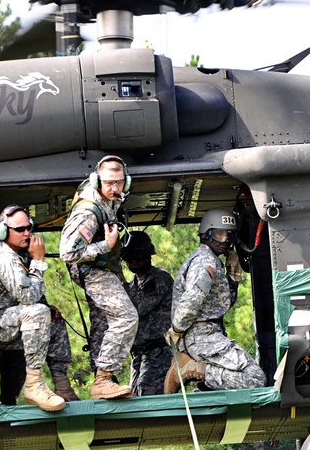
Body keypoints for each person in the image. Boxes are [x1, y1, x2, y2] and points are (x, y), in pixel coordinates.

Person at [59, 155, 136, 400]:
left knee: (105, 322)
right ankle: (103, 380)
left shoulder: (113, 197)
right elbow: (68, 253)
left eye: (120, 183)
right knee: (126, 317)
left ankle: (105, 382)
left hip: (104, 267)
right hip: (91, 268)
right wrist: (106, 245)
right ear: (96, 181)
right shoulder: (88, 212)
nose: (115, 188)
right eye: (109, 183)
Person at [165, 208, 266, 393]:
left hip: (206, 334)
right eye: (220, 234)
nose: (225, 240)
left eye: (230, 235)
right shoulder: (205, 261)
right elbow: (192, 299)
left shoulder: (211, 259)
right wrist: (177, 329)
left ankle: (203, 385)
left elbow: (218, 304)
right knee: (255, 378)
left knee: (233, 378)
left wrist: (233, 276)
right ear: (207, 235)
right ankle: (192, 369)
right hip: (201, 335)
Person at [0, 204, 73, 412]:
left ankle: (63, 386)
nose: (27, 233)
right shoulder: (3, 257)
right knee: (39, 312)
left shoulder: (18, 251)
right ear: (3, 231)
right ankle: (34, 386)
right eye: (20, 229)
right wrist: (39, 261)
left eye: (29, 227)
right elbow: (27, 296)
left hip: (14, 321)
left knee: (53, 318)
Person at [87, 231, 173, 395]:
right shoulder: (133, 284)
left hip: (158, 353)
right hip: (140, 355)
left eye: (139, 257)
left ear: (148, 256)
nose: (134, 262)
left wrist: (115, 279)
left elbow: (139, 307)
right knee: (135, 397)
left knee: (149, 398)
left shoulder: (158, 279)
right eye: (129, 258)